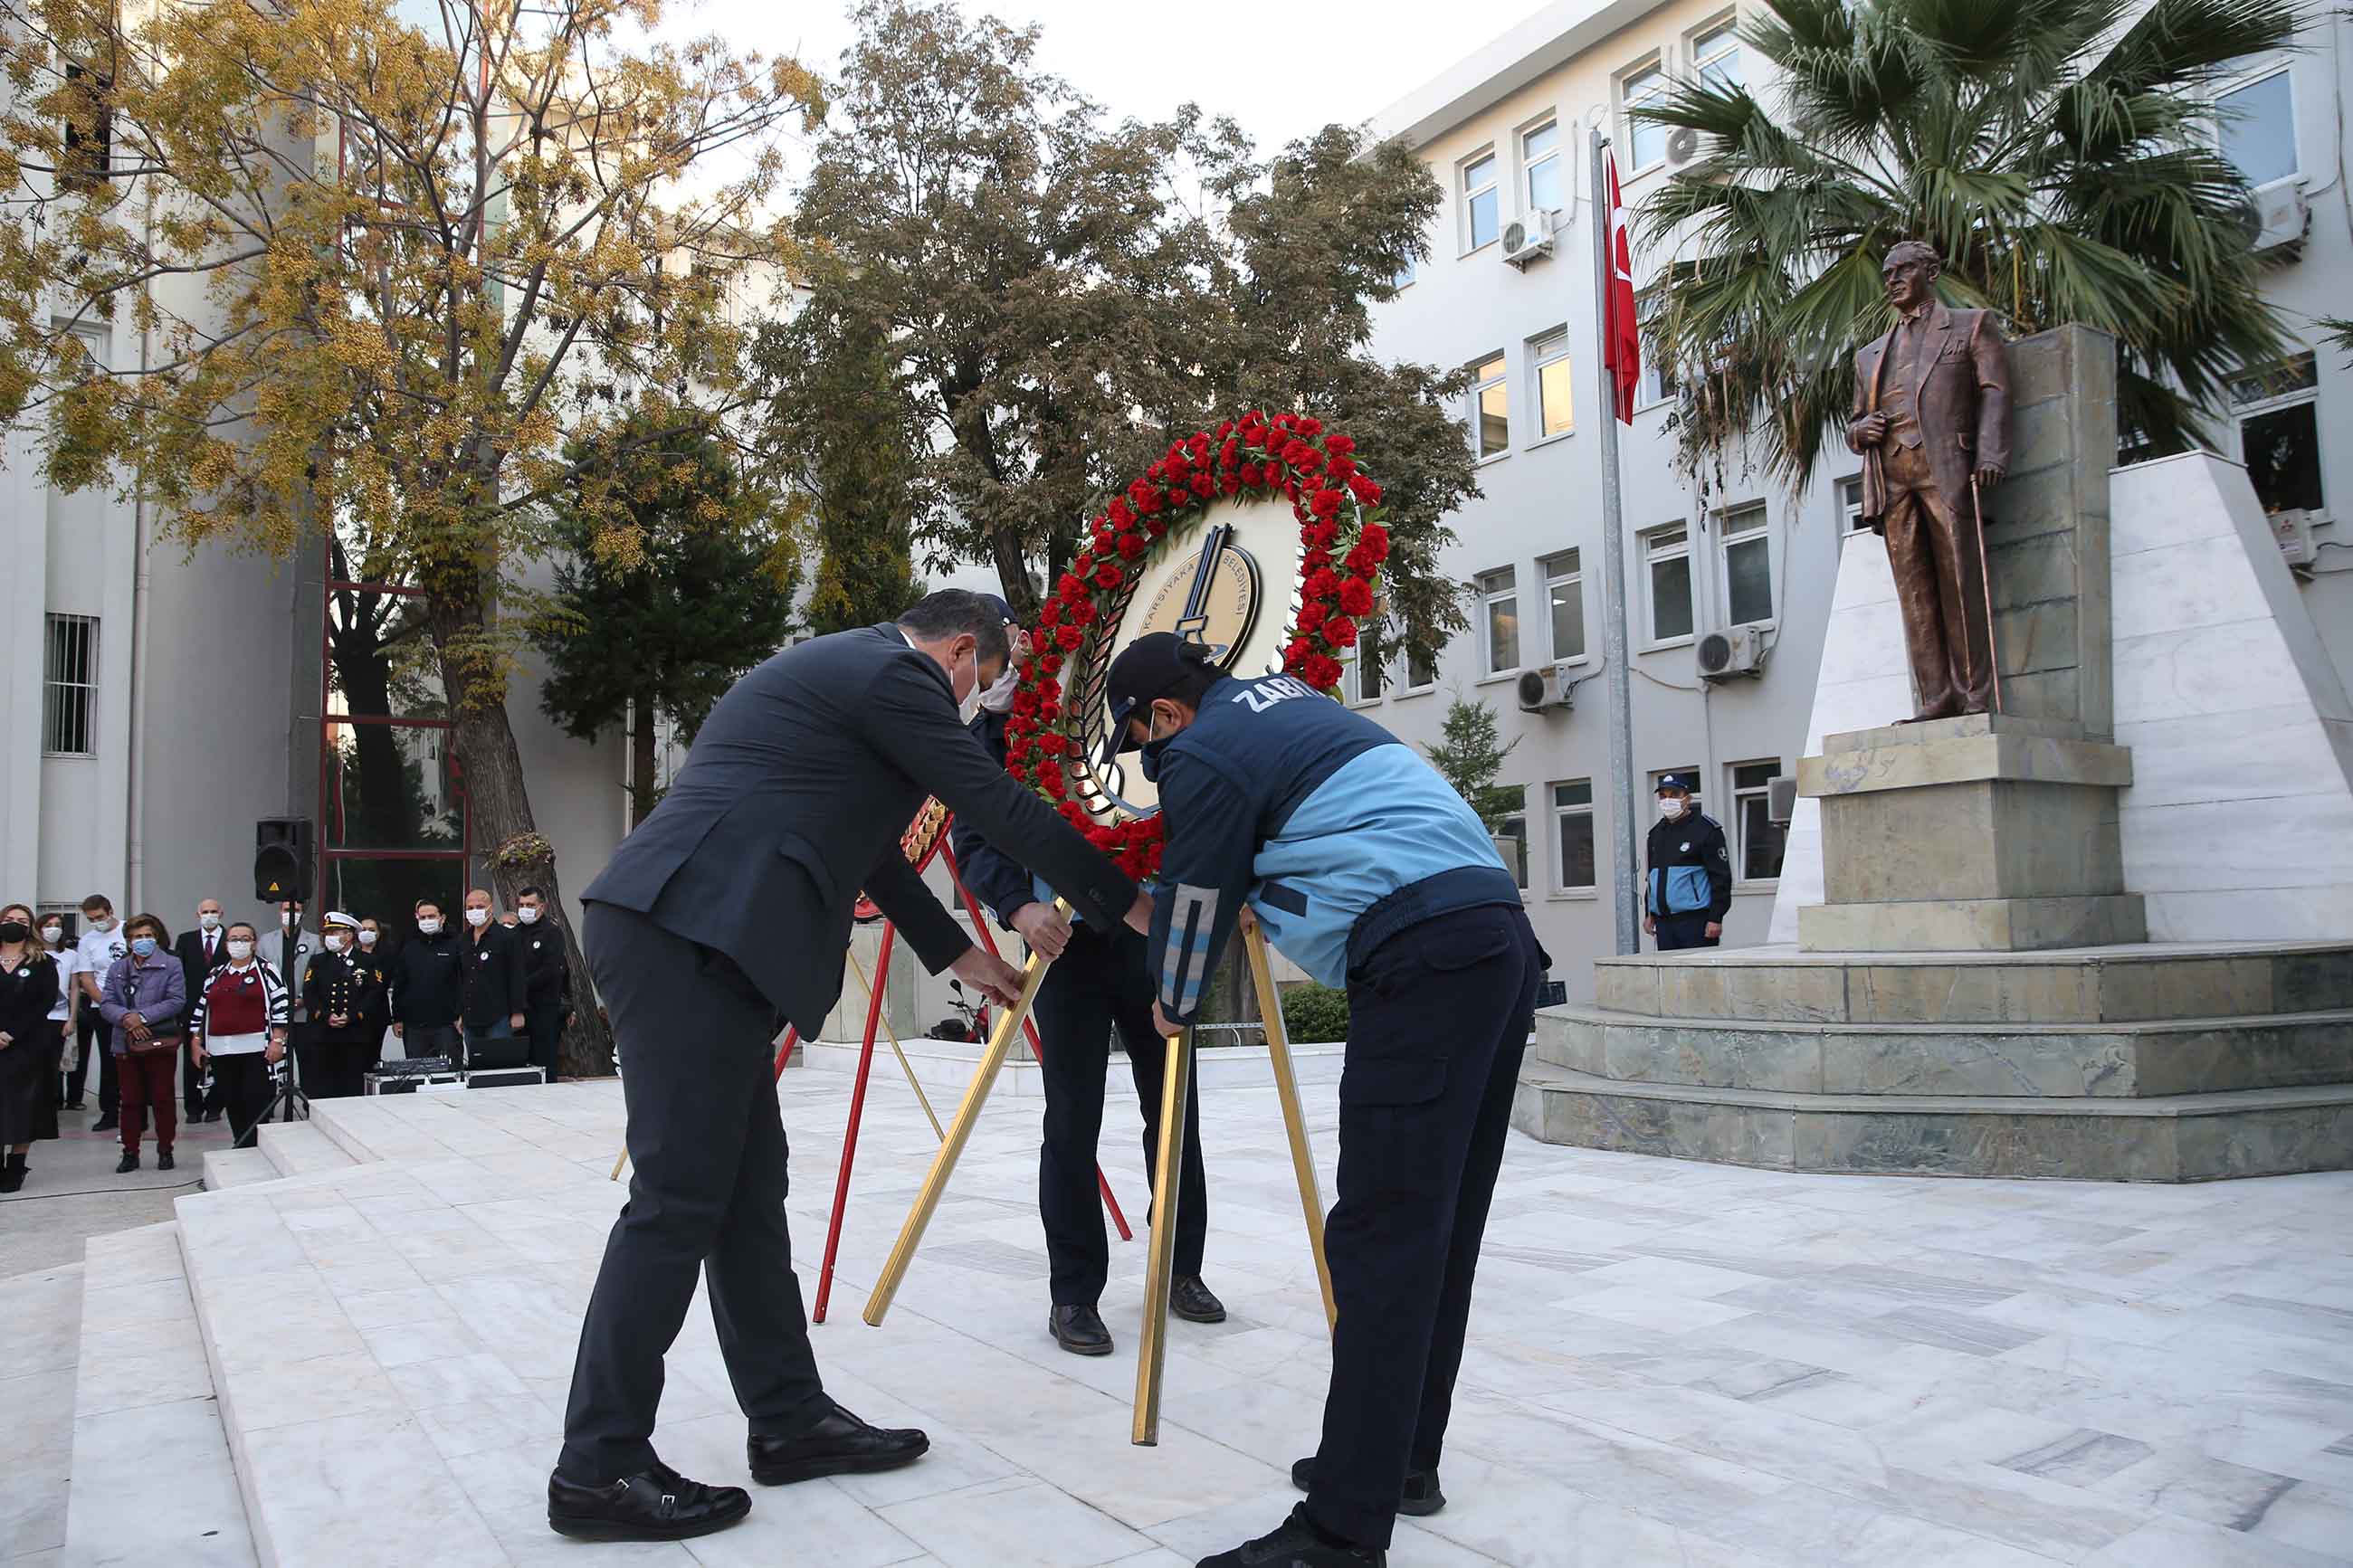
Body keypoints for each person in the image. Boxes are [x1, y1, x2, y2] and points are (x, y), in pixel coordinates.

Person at [548, 589, 1148, 1544]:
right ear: (959, 648)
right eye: (984, 680)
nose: (978, 699)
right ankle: (597, 1464)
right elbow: (990, 799)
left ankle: (787, 1419)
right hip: (685, 931)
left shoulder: (846, 681)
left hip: (707, 937)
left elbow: (875, 853)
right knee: (675, 1202)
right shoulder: (891, 673)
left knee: (745, 1197)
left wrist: (957, 955)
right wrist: (1130, 903)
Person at [1103, 633, 1546, 1568]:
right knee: (1435, 1225)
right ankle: (1400, 1464)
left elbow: (1194, 897)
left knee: (1379, 1238)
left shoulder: (1202, 749)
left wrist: (1170, 1000)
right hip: (1493, 936)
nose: (1154, 764)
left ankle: (1341, 1532)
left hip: (1420, 951)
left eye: (1144, 744)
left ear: (1166, 717)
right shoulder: (1289, 701)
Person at [948, 605, 1220, 1356]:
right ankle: (1074, 1293)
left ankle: (1181, 1269)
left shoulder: (1130, 714)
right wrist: (1020, 903)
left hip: (1146, 933)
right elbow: (972, 837)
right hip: (1063, 946)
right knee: (1071, 1124)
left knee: (1174, 1112)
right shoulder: (999, 735)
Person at [1845, 238, 2012, 721]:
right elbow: (1855, 423)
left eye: (1903, 270)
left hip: (1948, 471)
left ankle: (1974, 692)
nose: (1892, 280)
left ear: (1930, 272)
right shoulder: (1870, 354)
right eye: (1887, 274)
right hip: (1893, 480)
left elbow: (1995, 392)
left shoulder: (1970, 326)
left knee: (1961, 584)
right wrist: (1862, 430)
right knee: (1914, 595)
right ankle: (1935, 695)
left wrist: (1991, 454)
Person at [98, 914, 189, 1174]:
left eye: (148, 936)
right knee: (129, 1100)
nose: (143, 941)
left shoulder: (171, 964)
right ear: (128, 941)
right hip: (125, 1041)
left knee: (162, 1097)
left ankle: (165, 1149)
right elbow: (107, 1003)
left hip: (160, 1041)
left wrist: (143, 1017)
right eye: (138, 937)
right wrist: (128, 1019)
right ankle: (129, 1151)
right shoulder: (119, 968)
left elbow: (176, 1000)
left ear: (157, 937)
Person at [188, 924, 291, 1146]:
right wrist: (196, 1042)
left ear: (254, 943)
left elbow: (282, 1006)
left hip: (256, 1051)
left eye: (245, 938)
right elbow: (201, 1011)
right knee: (232, 1101)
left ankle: (255, 1147)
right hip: (221, 1051)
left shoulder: (266, 970)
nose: (239, 943)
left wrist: (278, 1040)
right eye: (234, 939)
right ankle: (241, 1144)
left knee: (256, 1102)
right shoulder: (216, 973)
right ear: (226, 944)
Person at [0, 904, 62, 1193]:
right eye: (9, 919)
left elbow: (44, 1003)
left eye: (21, 921)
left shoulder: (43, 962)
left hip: (27, 1044)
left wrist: (11, 1033)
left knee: (24, 1106)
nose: (14, 924)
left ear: (30, 927)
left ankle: (16, 1164)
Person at [1642, 774, 1731, 953]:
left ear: (1687, 797)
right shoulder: (1656, 833)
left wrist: (1716, 917)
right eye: (1663, 796)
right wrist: (1649, 913)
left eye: (1674, 794)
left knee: (1698, 977)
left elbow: (1720, 877)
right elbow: (1653, 877)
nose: (1668, 800)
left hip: (1696, 921)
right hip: (1664, 923)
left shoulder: (1706, 830)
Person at [300, 913, 384, 1099]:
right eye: (327, 932)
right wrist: (325, 1015)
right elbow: (309, 993)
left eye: (334, 932)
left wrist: (353, 1015)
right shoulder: (318, 961)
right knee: (323, 1083)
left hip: (355, 1032)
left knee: (352, 1083)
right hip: (324, 1032)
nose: (329, 936)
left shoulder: (367, 961)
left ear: (349, 935)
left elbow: (374, 993)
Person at [172, 897, 233, 1122]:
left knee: (222, 1059)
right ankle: (193, 1109)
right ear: (198, 915)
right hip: (192, 1011)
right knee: (192, 1061)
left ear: (221, 913)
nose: (209, 915)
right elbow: (179, 976)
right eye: (205, 911)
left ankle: (215, 1106)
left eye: (213, 911)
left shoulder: (230, 939)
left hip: (223, 1009)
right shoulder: (186, 940)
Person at [458, 889, 528, 1068]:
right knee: (476, 1067)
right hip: (470, 1017)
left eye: (479, 906)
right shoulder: (463, 941)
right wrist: (459, 1013)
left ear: (490, 907)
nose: (475, 911)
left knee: (499, 1068)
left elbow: (517, 976)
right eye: (470, 907)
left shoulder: (507, 937)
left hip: (498, 1017)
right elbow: (460, 978)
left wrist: (517, 1012)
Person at [72, 895, 127, 1126]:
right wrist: (108, 1006)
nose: (97, 922)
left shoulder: (129, 931)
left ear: (111, 911)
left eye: (100, 917)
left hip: (134, 1006)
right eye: (91, 919)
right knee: (109, 1060)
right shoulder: (87, 940)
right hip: (102, 1007)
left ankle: (139, 1109)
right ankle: (110, 1111)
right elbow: (87, 978)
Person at [389, 900, 464, 1062]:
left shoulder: (456, 945)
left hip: (447, 1025)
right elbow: (400, 986)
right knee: (417, 1076)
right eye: (422, 917)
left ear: (442, 918)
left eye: (431, 916)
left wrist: (462, 1013)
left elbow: (463, 982)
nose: (427, 920)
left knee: (451, 1074)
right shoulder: (409, 948)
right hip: (414, 1026)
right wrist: (397, 1018)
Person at [515, 886, 570, 1079]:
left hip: (544, 1009)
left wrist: (521, 984)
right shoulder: (515, 933)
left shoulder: (552, 933)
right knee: (520, 1062)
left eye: (530, 904)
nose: (525, 908)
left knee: (544, 1062)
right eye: (521, 905)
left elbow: (551, 970)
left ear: (542, 907)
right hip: (519, 1008)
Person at [40, 915, 81, 1113]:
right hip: (35, 1018)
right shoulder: (31, 953)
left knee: (55, 1065)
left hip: (60, 1016)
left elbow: (74, 988)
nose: (53, 929)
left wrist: (71, 1018)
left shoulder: (71, 955)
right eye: (48, 926)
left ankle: (54, 1103)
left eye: (57, 926)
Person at [258, 900, 316, 1035]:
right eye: (286, 910)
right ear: (280, 912)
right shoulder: (265, 940)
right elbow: (260, 973)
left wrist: (301, 1000)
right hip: (273, 1012)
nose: (290, 914)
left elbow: (317, 976)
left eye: (295, 911)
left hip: (303, 1013)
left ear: (302, 914)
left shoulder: (315, 942)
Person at [354, 916, 395, 1062]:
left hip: (377, 1013)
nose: (367, 933)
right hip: (353, 1013)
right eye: (363, 929)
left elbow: (384, 983)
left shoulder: (387, 956)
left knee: (373, 1055)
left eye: (371, 930)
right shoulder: (350, 954)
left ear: (379, 933)